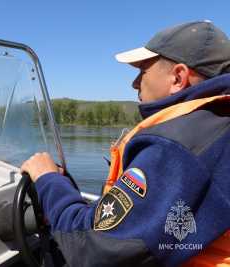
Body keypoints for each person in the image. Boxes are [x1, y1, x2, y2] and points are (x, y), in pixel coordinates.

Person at [21, 21, 230, 267]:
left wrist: (48, 180)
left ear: (178, 77)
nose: (134, 83)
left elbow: (96, 249)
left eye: (143, 71)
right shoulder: (217, 125)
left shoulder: (175, 147)